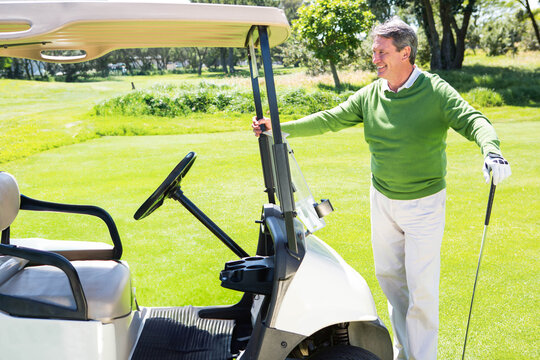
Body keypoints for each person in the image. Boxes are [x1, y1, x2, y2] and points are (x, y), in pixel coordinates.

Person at [252, 17, 511, 360]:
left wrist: (491, 150)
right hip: (383, 199)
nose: (375, 58)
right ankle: (406, 353)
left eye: (381, 52)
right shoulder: (371, 94)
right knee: (391, 282)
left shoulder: (435, 91)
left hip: (424, 205)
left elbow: (474, 119)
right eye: (373, 51)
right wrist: (280, 127)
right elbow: (331, 118)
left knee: (421, 290)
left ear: (406, 52)